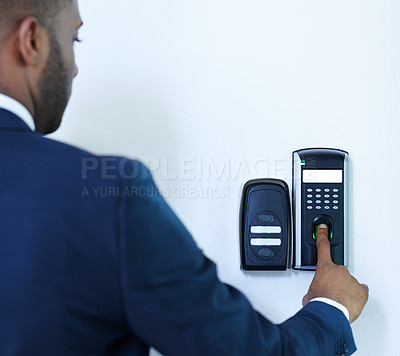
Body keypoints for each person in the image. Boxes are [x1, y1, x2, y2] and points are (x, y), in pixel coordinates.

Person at [0, 0, 368, 355]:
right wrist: (330, 308)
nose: (75, 67)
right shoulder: (107, 194)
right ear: (32, 40)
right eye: (73, 39)